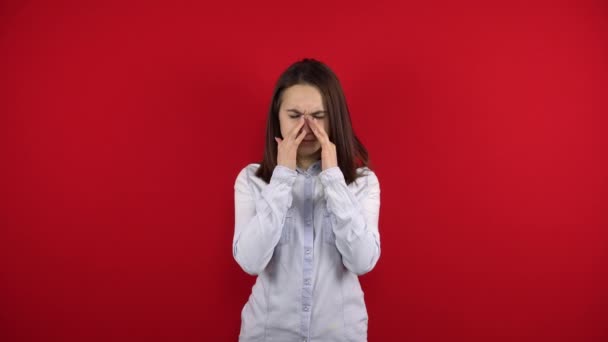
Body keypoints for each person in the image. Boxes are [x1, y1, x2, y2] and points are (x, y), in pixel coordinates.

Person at [232, 58, 381, 342]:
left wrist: (334, 180)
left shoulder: (363, 183)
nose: (307, 126)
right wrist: (283, 178)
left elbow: (362, 261)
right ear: (278, 116)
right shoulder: (251, 180)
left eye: (318, 115)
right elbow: (250, 262)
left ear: (334, 116)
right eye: (294, 115)